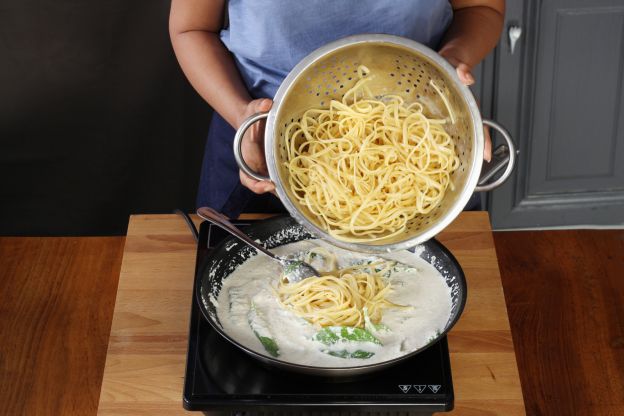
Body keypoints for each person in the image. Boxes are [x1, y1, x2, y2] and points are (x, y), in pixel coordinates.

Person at [170, 0, 504, 218]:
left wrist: (451, 65)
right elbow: (191, 28)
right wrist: (242, 113)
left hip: (422, 145)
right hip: (261, 141)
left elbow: (481, 7)